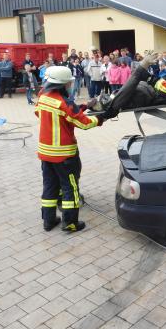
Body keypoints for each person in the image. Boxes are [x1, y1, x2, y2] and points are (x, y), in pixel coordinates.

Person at [35, 66, 105, 233]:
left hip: (46, 153)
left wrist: (85, 106)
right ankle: (70, 223)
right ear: (62, 85)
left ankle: (48, 221)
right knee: (70, 189)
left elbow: (45, 114)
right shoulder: (64, 103)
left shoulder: (42, 97)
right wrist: (102, 118)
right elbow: (84, 123)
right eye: (68, 83)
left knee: (50, 186)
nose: (70, 86)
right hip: (65, 155)